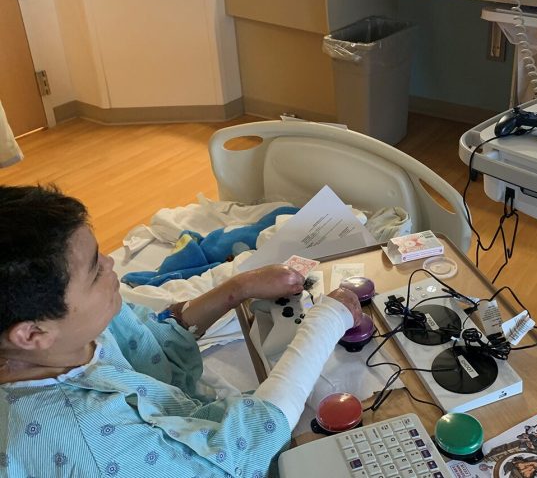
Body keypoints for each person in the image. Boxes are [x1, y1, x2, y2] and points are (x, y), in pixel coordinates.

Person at [0, 185, 361, 477]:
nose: (111, 265)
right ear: (31, 334)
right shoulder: (88, 443)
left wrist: (239, 288)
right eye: (95, 270)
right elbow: (243, 452)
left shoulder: (64, 336)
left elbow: (151, 349)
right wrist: (324, 324)